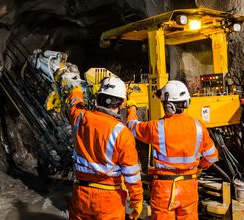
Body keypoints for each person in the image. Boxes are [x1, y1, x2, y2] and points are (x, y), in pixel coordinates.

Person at [126, 80, 218, 220]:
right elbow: (212, 156)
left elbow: (132, 126)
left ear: (168, 106)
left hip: (165, 188)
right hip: (189, 187)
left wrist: (132, 108)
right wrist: (198, 168)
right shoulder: (199, 126)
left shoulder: (156, 127)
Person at [58, 73, 143, 220]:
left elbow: (75, 103)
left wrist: (76, 90)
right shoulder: (122, 133)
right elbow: (131, 174)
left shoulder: (80, 118)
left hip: (81, 195)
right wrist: (137, 200)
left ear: (98, 98)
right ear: (121, 104)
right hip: (108, 199)